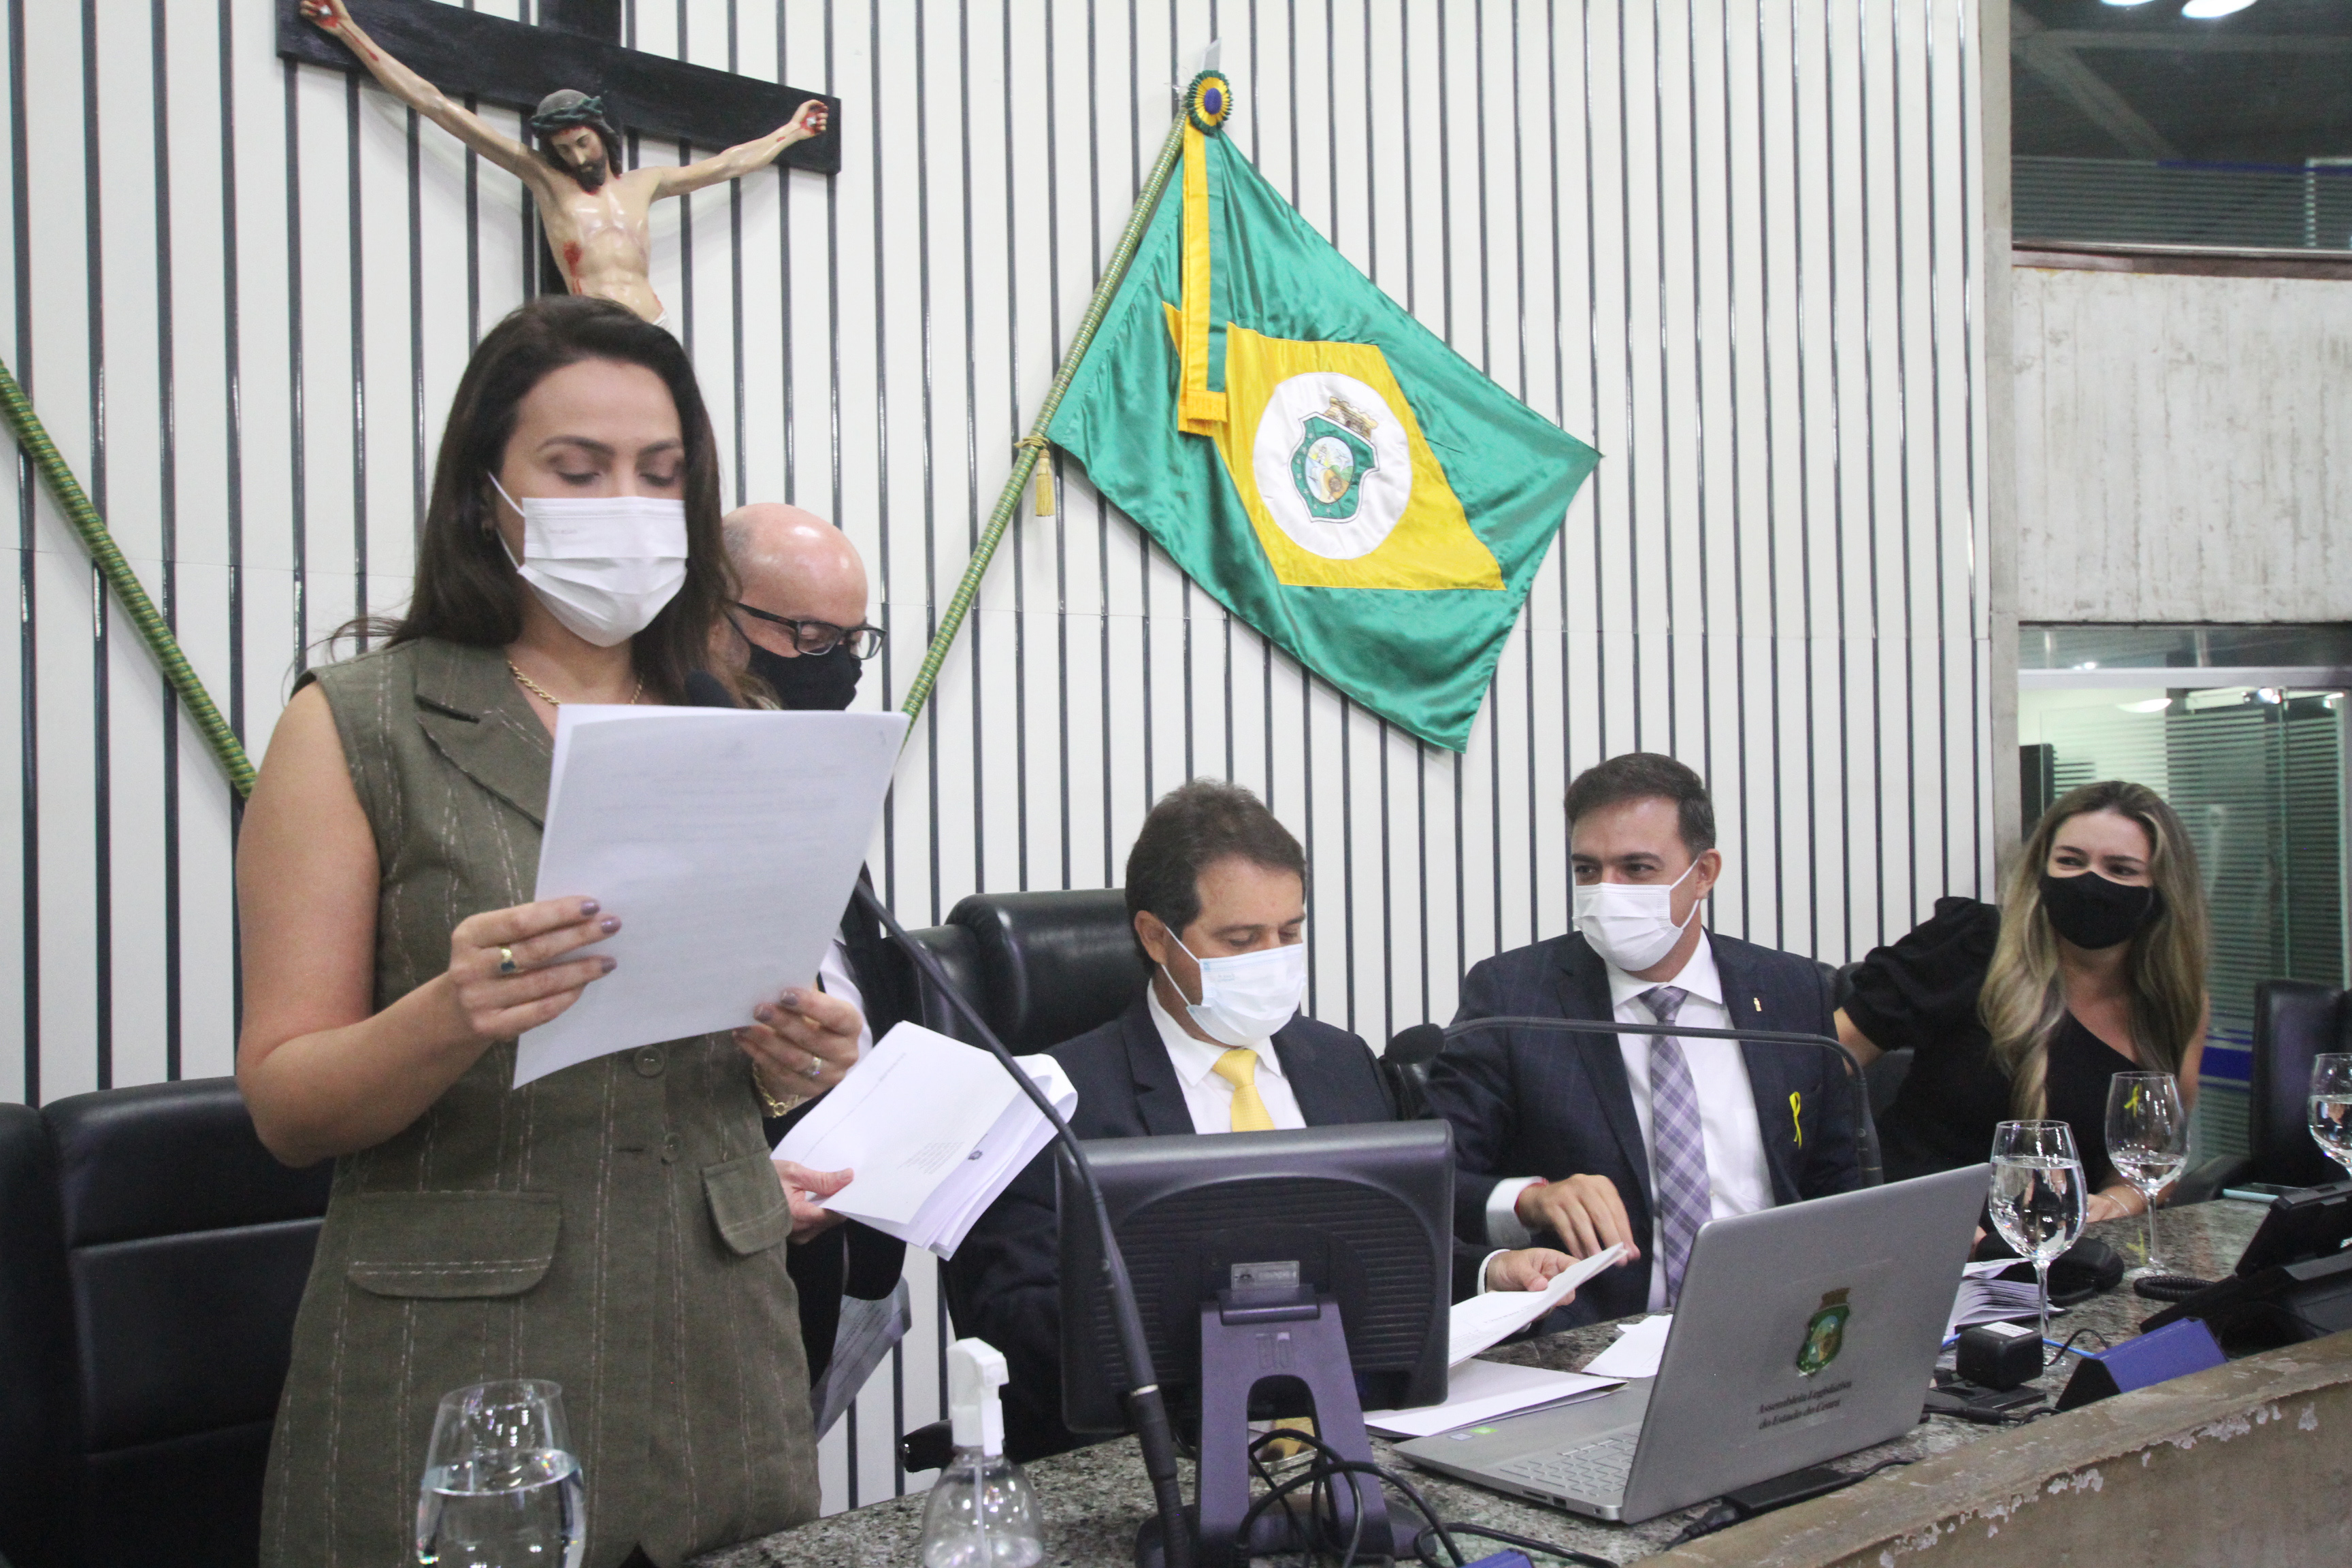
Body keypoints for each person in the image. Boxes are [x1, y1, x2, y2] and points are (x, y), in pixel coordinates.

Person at [235, 297, 863, 1568]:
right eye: (578, 471)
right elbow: (287, 1106)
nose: (627, 505)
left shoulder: (731, 720)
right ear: (487, 497)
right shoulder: (361, 723)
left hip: (719, 1357)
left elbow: (713, 1044)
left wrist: (795, 1060)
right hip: (460, 1363)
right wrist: (447, 1010)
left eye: (661, 473)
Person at [943, 779, 1574, 1462]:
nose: (1273, 959)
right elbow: (1018, 1321)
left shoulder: (1342, 1064)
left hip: (1355, 1438)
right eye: (1241, 939)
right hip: (1169, 1451)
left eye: (1289, 933)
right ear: (1156, 937)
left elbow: (1387, 1259)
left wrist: (1489, 1272)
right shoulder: (1054, 1099)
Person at [1423, 752, 1861, 1328]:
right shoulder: (1515, 996)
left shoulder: (1788, 989)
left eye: (1636, 868)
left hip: (1776, 1320)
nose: (1606, 892)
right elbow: (1431, 1183)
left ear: (1703, 873)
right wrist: (1531, 1199)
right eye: (1587, 870)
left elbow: (1838, 1176)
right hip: (1593, 1334)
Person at [717, 502, 906, 1425]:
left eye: (854, 640)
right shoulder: (658, 779)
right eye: (809, 637)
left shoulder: (815, 774)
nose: (838, 665)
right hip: (722, 1255)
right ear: (713, 617)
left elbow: (855, 974)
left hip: (842, 1247)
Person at [300, 0, 828, 327]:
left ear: (602, 135)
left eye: (583, 143)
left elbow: (729, 165)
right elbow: (437, 105)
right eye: (565, 150)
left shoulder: (645, 184)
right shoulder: (546, 180)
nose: (577, 157)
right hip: (593, 327)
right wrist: (349, 31)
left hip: (655, 324)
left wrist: (792, 131)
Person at [1837, 779, 2209, 1218]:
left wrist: (2113, 1205)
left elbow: (2151, 1161)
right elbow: (1813, 1068)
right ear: (2040, 868)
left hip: (2061, 1239)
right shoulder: (1971, 946)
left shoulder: (2173, 1001)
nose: (2091, 882)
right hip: (1920, 1226)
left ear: (2163, 888)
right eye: (2070, 861)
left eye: (2121, 870)